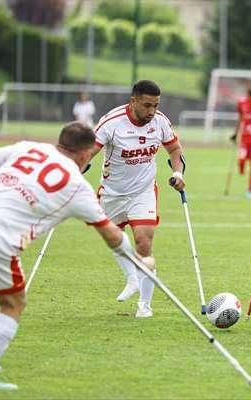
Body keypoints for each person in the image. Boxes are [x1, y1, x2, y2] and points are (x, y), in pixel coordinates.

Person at [0, 122, 145, 390]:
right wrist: (135, 260)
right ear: (86, 153)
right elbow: (112, 236)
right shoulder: (78, 186)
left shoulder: (27, 147)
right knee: (12, 304)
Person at [90, 80, 186, 318]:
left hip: (143, 191)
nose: (152, 111)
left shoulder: (160, 121)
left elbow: (174, 150)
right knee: (113, 239)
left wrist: (177, 173)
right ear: (133, 102)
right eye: (147, 106)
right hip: (112, 192)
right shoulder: (111, 123)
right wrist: (75, 167)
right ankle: (131, 277)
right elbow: (87, 152)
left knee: (144, 243)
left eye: (156, 105)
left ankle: (145, 306)